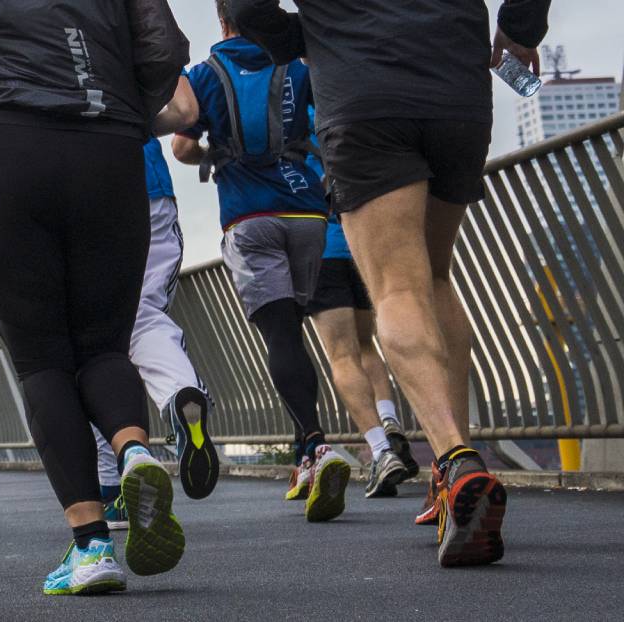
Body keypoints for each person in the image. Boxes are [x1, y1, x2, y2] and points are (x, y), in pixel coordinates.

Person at [230, 0, 550, 568]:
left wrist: (298, 39)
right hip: (457, 86)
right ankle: (451, 472)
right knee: (436, 272)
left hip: (362, 89)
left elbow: (245, 6)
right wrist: (520, 29)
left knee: (399, 288)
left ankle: (454, 459)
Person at [0, 0, 190, 595]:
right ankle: (134, 451)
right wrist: (119, 103)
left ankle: (92, 547)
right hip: (108, 149)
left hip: (9, 148)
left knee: (42, 359)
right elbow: (164, 49)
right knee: (106, 346)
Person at [169, 2, 350, 522]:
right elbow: (328, 118)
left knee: (281, 338)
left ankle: (315, 446)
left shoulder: (203, 74)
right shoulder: (296, 61)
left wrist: (214, 155)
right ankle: (303, 458)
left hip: (250, 219)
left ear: (223, 20)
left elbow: (181, 147)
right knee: (295, 327)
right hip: (309, 215)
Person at [95, 81, 220, 533]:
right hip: (146, 185)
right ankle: (179, 391)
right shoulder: (134, 15)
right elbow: (186, 111)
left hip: (75, 185)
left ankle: (111, 488)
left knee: (90, 340)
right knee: (144, 312)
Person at [307, 222, 419, 498]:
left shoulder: (293, 174)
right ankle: (389, 418)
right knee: (366, 344)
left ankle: (382, 451)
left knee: (343, 355)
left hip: (321, 254)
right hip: (358, 248)